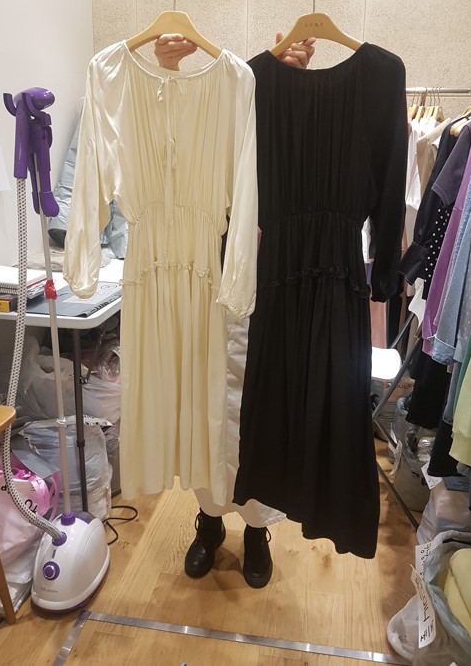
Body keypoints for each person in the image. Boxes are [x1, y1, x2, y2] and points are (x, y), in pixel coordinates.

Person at [154, 32, 315, 588]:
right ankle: (208, 520)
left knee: (258, 408)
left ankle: (256, 529)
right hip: (204, 277)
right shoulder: (210, 106)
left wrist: (293, 83)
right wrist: (167, 74)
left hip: (272, 284)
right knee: (206, 404)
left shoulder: (280, 121)